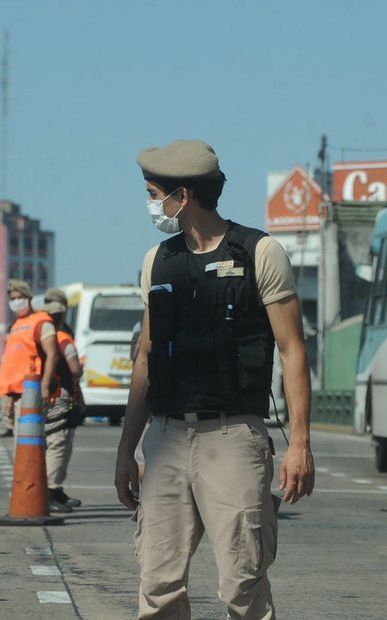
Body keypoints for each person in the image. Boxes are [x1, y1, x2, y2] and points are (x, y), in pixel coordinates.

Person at [114, 139, 316, 619]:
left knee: (242, 583)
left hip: (234, 436)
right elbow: (146, 357)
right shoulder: (157, 261)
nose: (150, 205)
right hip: (166, 437)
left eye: (153, 194)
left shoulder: (259, 252)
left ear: (182, 196)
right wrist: (127, 448)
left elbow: (292, 350)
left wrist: (300, 443)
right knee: (157, 584)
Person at [41, 288, 85, 513]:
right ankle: (51, 491)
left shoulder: (36, 331)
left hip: (39, 394)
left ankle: (56, 491)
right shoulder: (63, 337)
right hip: (60, 394)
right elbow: (75, 370)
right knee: (59, 444)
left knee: (49, 443)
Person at [0, 279, 58, 439]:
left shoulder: (41, 322)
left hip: (32, 391)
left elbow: (52, 354)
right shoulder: (15, 326)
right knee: (22, 444)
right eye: (13, 299)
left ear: (29, 298)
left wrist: (45, 385)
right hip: (17, 393)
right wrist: (10, 396)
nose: (16, 302)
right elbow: (13, 363)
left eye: (20, 298)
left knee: (30, 441)